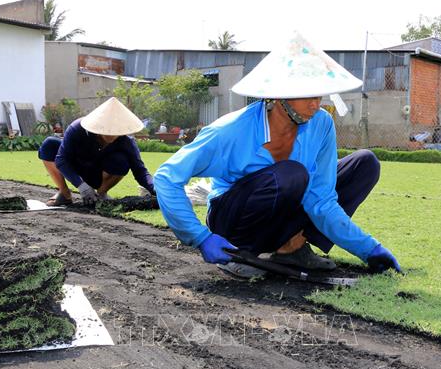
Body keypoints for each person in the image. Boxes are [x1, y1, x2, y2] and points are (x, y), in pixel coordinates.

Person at [153, 32, 400, 278]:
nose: (316, 104)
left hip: (280, 213)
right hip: (232, 219)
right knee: (292, 174)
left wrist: (370, 249)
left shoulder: (321, 125)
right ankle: (242, 253)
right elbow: (167, 177)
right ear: (279, 94)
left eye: (319, 95)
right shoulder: (231, 132)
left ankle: (292, 249)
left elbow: (321, 199)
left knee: (363, 163)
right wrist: (200, 237)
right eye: (307, 95)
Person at [38, 97, 156, 206]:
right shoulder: (77, 129)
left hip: (99, 174)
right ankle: (64, 193)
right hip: (77, 166)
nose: (112, 133)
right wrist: (81, 185)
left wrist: (157, 190)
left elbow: (140, 171)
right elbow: (61, 160)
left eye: (115, 129)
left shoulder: (126, 141)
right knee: (49, 144)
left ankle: (100, 194)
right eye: (107, 128)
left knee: (122, 160)